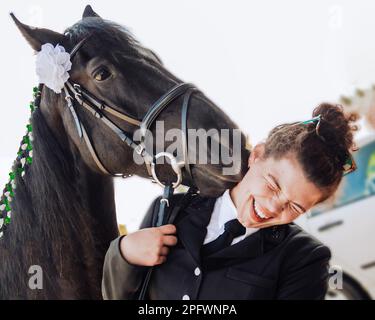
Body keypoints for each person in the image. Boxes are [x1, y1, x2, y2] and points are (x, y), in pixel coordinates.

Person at [101, 103, 357, 300]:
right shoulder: (169, 210)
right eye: (273, 184)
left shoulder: (305, 259)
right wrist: (124, 253)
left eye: (295, 207)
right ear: (257, 156)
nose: (273, 207)